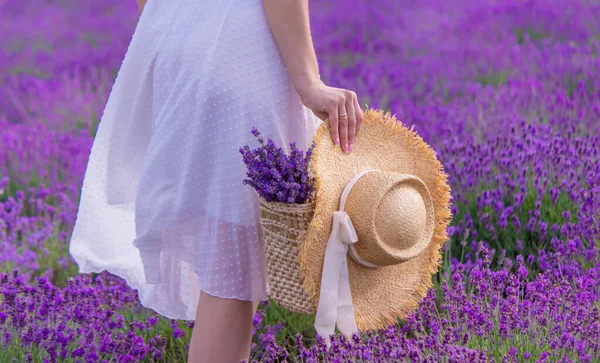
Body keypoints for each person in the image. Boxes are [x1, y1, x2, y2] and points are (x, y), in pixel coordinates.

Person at [69, 0, 362, 362]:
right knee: (233, 270)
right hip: (241, 55)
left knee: (224, 261)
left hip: (175, 43)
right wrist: (309, 82)